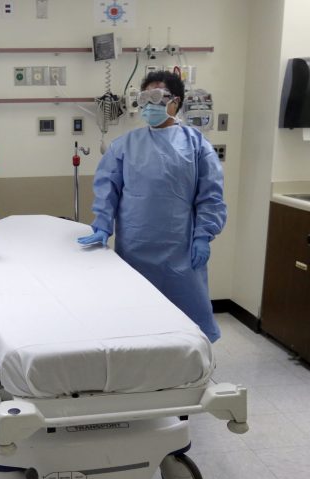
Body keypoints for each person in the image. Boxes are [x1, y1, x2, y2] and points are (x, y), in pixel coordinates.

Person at [77, 70, 226, 342]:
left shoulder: (196, 145)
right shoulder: (124, 145)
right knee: (137, 314)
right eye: (143, 98)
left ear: (175, 101)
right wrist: (101, 225)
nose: (148, 104)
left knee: (187, 318)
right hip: (135, 247)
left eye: (156, 96)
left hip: (180, 249)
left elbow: (211, 196)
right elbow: (107, 189)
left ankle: (190, 368)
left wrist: (203, 235)